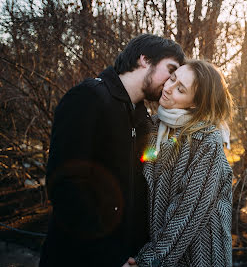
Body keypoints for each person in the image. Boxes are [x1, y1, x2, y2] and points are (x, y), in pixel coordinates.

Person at [39, 34, 185, 267]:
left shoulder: (139, 116)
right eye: (170, 70)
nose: (169, 83)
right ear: (145, 60)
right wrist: (109, 257)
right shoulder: (88, 97)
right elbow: (66, 187)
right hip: (80, 258)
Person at [130, 60, 234, 266]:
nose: (168, 88)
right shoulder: (153, 127)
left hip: (199, 257)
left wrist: (148, 261)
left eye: (180, 89)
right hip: (161, 250)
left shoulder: (206, 140)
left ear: (194, 103)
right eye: (172, 78)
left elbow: (187, 212)